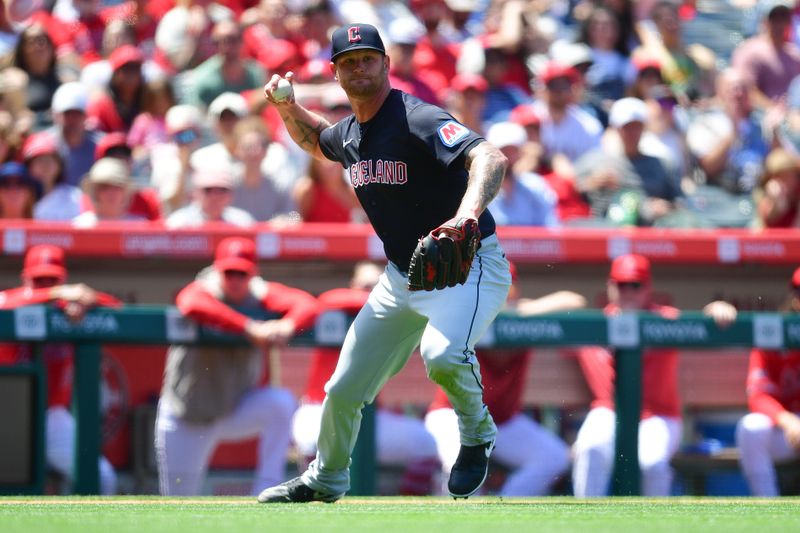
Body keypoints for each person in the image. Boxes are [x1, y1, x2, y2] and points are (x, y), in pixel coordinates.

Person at [258, 22, 511, 503]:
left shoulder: (415, 117)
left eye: (368, 58)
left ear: (386, 64)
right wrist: (287, 106)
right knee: (344, 387)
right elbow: (317, 141)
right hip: (403, 275)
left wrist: (466, 216)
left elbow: (489, 157)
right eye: (349, 62)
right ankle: (327, 479)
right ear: (335, 73)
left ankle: (477, 433)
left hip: (469, 264)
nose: (359, 68)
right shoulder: (351, 133)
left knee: (441, 354)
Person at [155, 237, 319, 496]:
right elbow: (190, 302)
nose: (235, 279)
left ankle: (266, 490)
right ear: (218, 270)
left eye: (241, 273)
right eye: (229, 272)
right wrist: (249, 328)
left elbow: (307, 303)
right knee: (178, 500)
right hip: (187, 413)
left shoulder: (258, 293)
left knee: (280, 403)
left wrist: (288, 325)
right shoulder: (205, 287)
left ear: (252, 274)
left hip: (233, 408)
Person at [572, 253, 738, 497]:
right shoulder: (596, 324)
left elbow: (706, 328)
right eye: (621, 284)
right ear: (610, 287)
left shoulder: (665, 318)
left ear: (648, 288)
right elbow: (567, 305)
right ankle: (585, 522)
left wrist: (716, 310)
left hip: (658, 415)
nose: (628, 291)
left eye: (635, 285)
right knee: (591, 447)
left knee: (652, 463)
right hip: (610, 411)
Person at [425, 263, 581, 496]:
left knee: (554, 458)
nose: (500, 293)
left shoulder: (524, 315)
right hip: (454, 415)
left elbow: (574, 301)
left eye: (505, 288)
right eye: (492, 286)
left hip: (503, 422)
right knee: (460, 461)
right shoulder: (468, 312)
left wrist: (522, 312)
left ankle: (503, 508)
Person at [292, 261, 440, 495]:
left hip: (365, 415)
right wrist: (386, 302)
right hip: (318, 408)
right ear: (353, 285)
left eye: (376, 286)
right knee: (311, 438)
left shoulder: (391, 321)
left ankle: (408, 513)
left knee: (425, 444)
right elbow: (328, 299)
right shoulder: (337, 307)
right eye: (365, 286)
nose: (370, 291)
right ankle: (315, 497)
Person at [0, 244, 121, 495]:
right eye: (39, 279)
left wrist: (88, 300)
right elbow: (5, 304)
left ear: (64, 279)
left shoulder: (68, 307)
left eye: (52, 280)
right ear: (25, 279)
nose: (45, 284)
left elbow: (117, 308)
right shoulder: (12, 299)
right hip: (9, 411)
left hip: (51, 416)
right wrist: (56, 292)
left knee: (103, 478)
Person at [735, 266, 800, 497]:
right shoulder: (775, 332)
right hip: (789, 427)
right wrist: (788, 421)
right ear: (794, 297)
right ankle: (767, 505)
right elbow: (758, 395)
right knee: (751, 428)